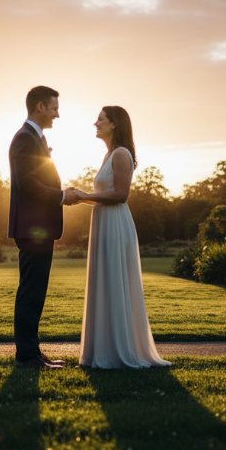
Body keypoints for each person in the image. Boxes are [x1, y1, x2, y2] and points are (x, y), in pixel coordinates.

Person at [68, 106, 171, 369]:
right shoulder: (108, 155)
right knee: (106, 281)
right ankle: (103, 349)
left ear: (114, 124)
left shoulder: (122, 154)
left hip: (115, 224)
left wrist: (82, 195)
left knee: (115, 280)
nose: (95, 123)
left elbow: (121, 195)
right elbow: (106, 195)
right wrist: (81, 199)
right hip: (104, 221)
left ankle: (122, 351)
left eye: (100, 119)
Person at [8, 85, 77, 369]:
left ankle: (32, 353)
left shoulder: (33, 138)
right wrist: (62, 196)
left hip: (38, 227)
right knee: (31, 290)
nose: (57, 115)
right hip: (33, 227)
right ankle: (26, 356)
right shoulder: (24, 139)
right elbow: (29, 184)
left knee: (36, 290)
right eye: (54, 108)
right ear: (39, 107)